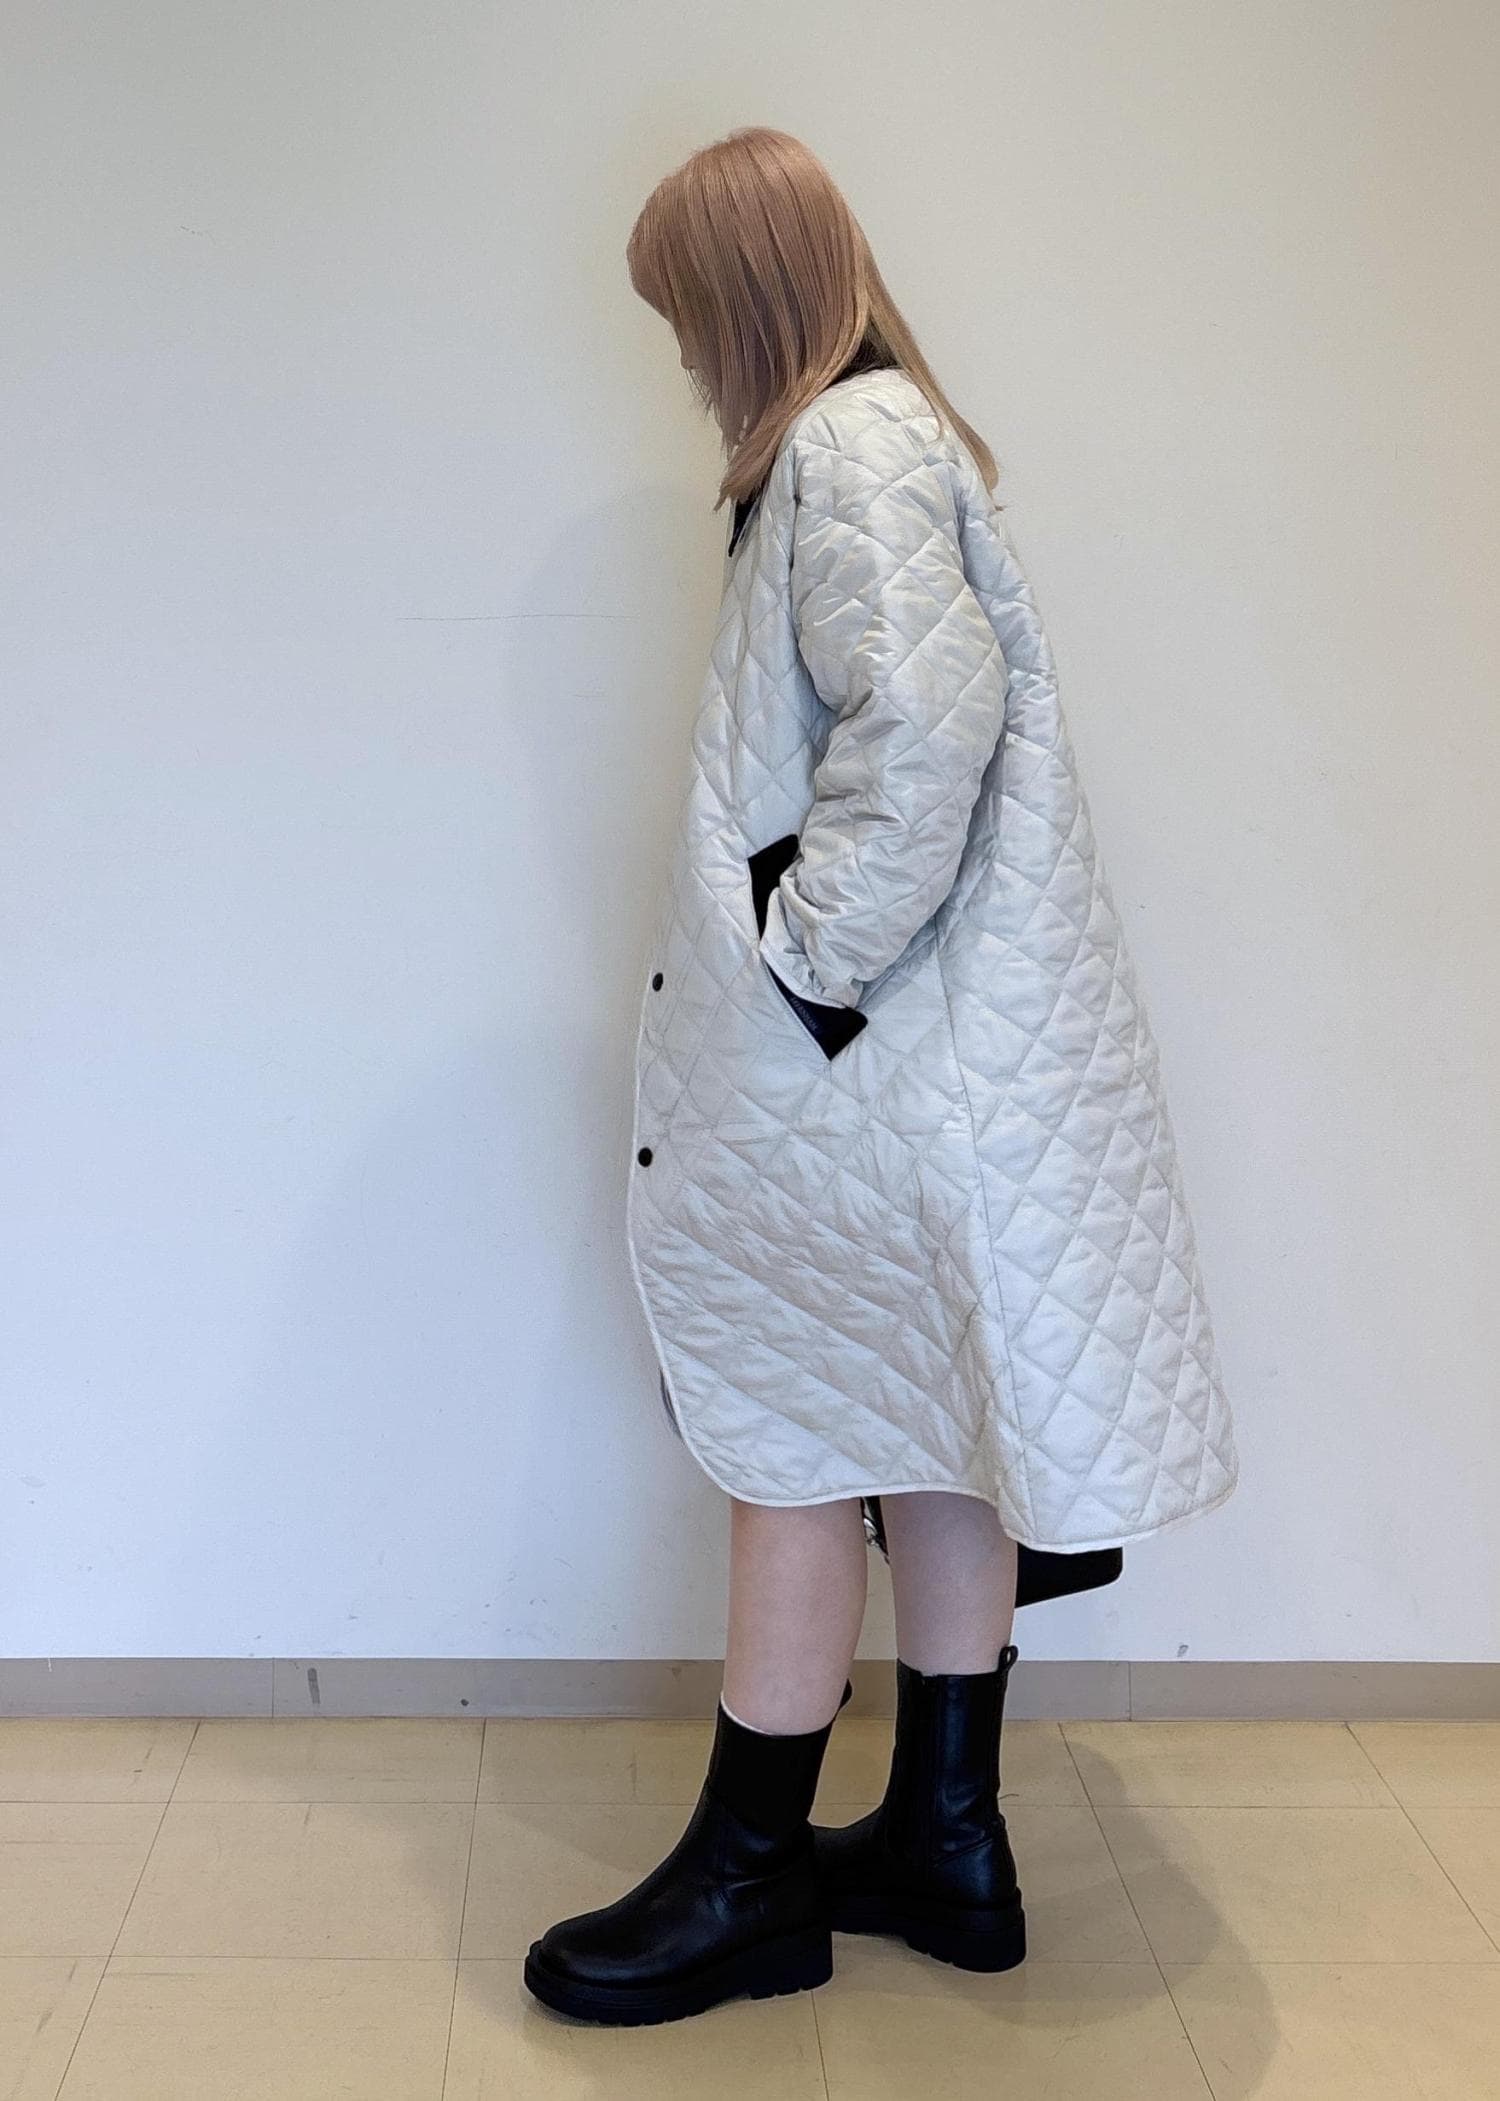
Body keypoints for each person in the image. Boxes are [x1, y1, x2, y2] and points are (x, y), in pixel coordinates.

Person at [523, 125, 1239, 2026]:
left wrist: (804, 951)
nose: (686, 353)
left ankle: (753, 1869)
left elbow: (929, 719)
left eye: (689, 312)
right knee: (923, 1433)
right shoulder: (891, 436)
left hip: (861, 1082)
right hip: (921, 1087)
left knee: (796, 1441)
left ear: (745, 294)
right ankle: (948, 1836)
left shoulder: (844, 445)